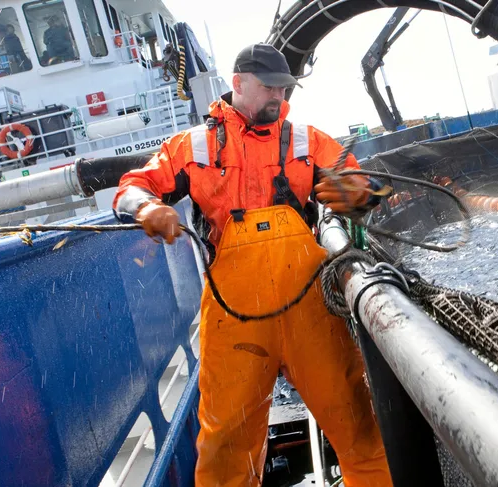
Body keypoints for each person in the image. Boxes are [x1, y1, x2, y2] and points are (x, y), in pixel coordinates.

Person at [113, 43, 392, 487]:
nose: (278, 97)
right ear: (238, 84)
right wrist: (147, 208)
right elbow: (132, 187)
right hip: (236, 320)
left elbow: (365, 185)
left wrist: (364, 194)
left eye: (284, 89)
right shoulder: (193, 146)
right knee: (225, 446)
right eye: (269, 88)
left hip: (309, 310)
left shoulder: (307, 140)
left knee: (358, 424)